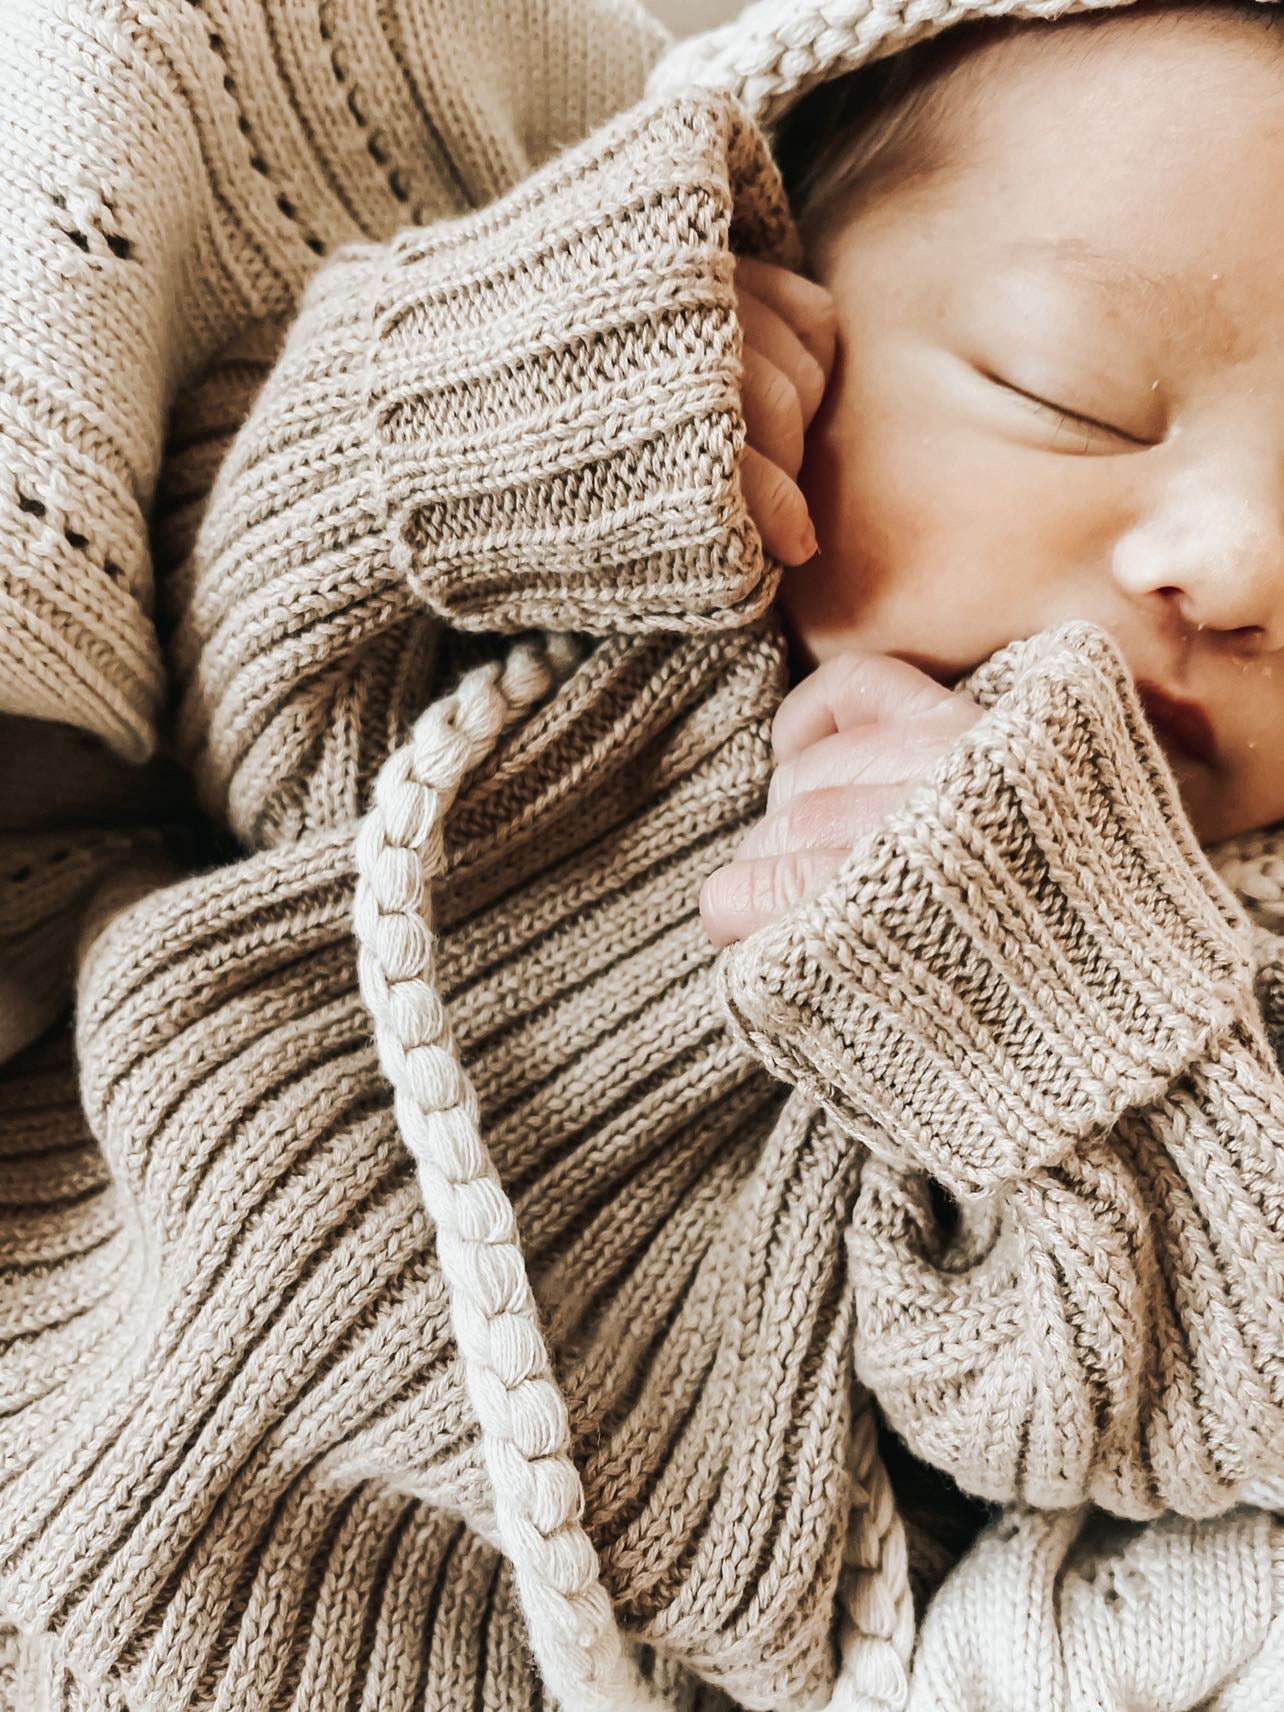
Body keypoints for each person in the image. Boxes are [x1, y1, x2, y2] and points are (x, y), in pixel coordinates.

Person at [1, 2, 1283, 1709]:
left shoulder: (1221, 973)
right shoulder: (619, 592)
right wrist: (527, 377)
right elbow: (249, 714)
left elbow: (1115, 1411)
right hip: (54, 1310)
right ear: (788, 294)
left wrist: (1059, 991)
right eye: (1069, 393)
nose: (1240, 563)